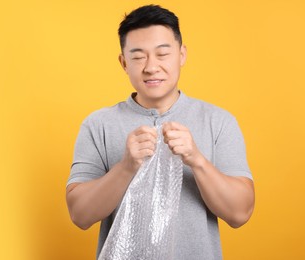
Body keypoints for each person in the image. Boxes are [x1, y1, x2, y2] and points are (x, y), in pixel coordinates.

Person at [66, 4, 255, 260]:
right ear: (123, 63)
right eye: (138, 56)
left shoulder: (218, 122)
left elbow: (240, 213)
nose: (151, 67)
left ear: (182, 55)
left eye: (162, 54)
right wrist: (126, 167)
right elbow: (80, 215)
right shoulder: (98, 124)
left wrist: (197, 160)